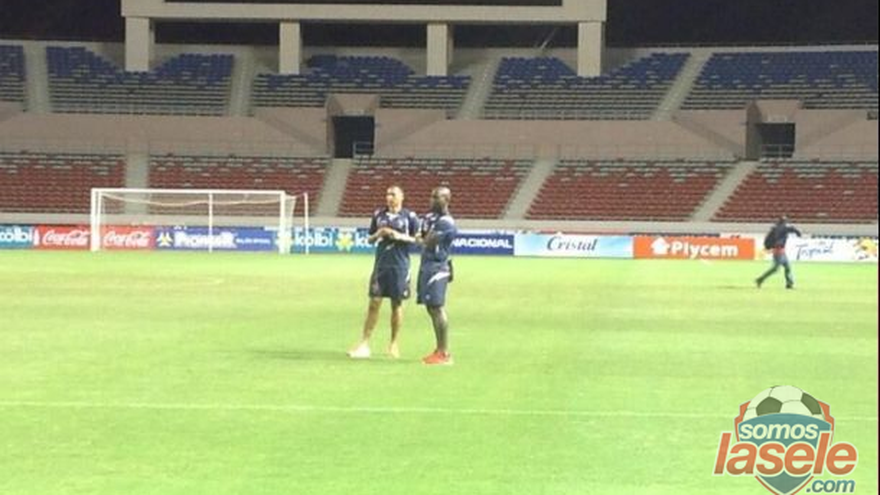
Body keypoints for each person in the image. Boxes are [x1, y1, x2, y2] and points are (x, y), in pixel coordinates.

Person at [348, 185, 420, 359]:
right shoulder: (378, 215)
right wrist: (379, 233)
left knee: (397, 304)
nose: (389, 197)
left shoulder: (410, 217)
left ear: (401, 197)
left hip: (400, 266)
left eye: (393, 194)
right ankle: (364, 343)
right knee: (374, 302)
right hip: (381, 265)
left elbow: (418, 240)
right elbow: (370, 239)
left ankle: (394, 343)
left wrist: (397, 235)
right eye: (387, 194)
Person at [389, 187, 458, 365]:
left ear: (446, 200)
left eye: (436, 197)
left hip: (437, 267)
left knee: (437, 307)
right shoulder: (429, 218)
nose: (432, 200)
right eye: (431, 196)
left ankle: (444, 353)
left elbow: (427, 241)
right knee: (430, 307)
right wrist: (419, 238)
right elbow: (420, 236)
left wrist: (410, 238)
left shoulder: (446, 222)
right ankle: (438, 349)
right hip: (426, 265)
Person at [756, 215, 803, 289]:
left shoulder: (775, 229)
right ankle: (760, 279)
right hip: (779, 251)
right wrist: (798, 232)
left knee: (787, 267)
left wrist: (768, 247)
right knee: (775, 269)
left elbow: (768, 240)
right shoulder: (783, 228)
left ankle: (789, 284)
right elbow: (791, 228)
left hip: (780, 251)